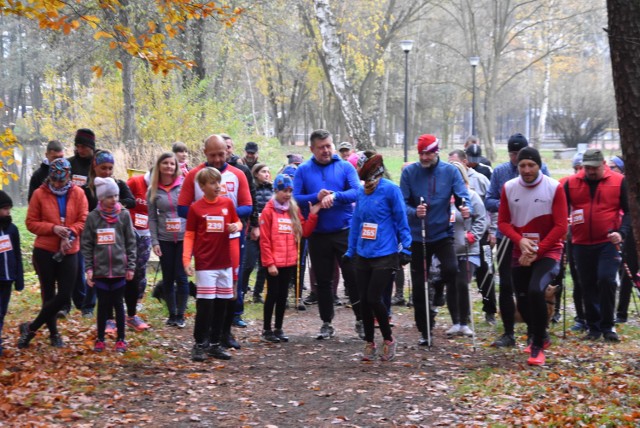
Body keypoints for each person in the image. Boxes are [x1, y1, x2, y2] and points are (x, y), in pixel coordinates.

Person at [178, 134, 252, 350]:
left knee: (230, 289)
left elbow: (248, 205)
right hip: (206, 241)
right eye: (213, 155)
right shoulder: (194, 174)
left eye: (222, 154)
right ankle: (204, 338)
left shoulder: (238, 174)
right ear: (205, 154)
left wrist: (226, 213)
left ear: (228, 151)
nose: (218, 159)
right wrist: (207, 212)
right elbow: (182, 207)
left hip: (231, 239)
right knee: (207, 294)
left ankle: (224, 333)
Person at [400, 134, 471, 346]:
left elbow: (461, 195)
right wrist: (415, 211)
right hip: (418, 234)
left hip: (442, 233)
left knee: (451, 269)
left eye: (428, 153)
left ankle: (438, 287)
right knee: (420, 285)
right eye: (421, 153)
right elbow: (401, 203)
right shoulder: (409, 173)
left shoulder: (449, 172)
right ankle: (425, 329)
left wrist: (465, 206)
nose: (424, 157)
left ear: (436, 152)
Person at [498, 147, 567, 365]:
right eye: (522, 166)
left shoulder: (553, 187)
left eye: (531, 165)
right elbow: (502, 222)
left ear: (539, 165)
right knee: (523, 299)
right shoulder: (509, 187)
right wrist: (520, 241)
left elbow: (561, 225)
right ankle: (540, 333)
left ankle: (536, 344)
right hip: (521, 251)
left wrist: (538, 249)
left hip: (548, 250)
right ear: (516, 167)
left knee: (536, 289)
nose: (527, 170)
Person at [293, 129, 362, 339]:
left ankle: (361, 320)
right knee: (322, 281)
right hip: (318, 233)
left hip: (344, 230)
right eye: (321, 147)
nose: (326, 150)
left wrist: (336, 196)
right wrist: (316, 196)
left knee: (353, 276)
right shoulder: (303, 170)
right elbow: (295, 198)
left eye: (328, 146)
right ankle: (326, 322)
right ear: (312, 149)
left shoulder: (344, 166)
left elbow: (357, 191)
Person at [485, 133, 550, 347]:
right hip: (508, 236)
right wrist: (508, 206)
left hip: (533, 238)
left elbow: (549, 197)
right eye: (512, 154)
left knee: (531, 285)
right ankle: (508, 332)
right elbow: (490, 199)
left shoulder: (541, 169)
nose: (516, 159)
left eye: (519, 154)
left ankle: (534, 331)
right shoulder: (501, 172)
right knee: (506, 284)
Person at [344, 152, 411, 361]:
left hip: (386, 253)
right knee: (363, 301)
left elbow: (401, 219)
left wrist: (407, 247)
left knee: (374, 297)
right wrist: (350, 250)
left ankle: (389, 340)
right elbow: (356, 223)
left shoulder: (391, 190)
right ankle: (369, 344)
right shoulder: (362, 193)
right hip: (364, 253)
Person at [19, 158, 88, 349]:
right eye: (55, 180)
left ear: (68, 177)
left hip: (70, 250)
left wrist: (71, 232)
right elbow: (30, 223)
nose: (57, 184)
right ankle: (54, 334)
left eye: (61, 180)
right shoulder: (39, 194)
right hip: (45, 251)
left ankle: (31, 328)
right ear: (50, 176)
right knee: (48, 295)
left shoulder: (79, 193)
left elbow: (84, 219)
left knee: (65, 295)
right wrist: (53, 228)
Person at [565, 149, 629, 342]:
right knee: (587, 284)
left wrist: (621, 232)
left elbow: (630, 212)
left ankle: (608, 326)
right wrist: (564, 226)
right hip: (580, 242)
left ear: (603, 164)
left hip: (608, 241)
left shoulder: (619, 181)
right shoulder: (571, 183)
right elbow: (560, 208)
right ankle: (593, 327)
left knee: (606, 279)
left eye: (594, 168)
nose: (590, 172)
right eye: (587, 168)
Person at [183, 167, 241, 362]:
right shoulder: (196, 208)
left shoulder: (227, 203)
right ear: (202, 186)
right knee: (206, 306)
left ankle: (215, 344)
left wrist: (236, 226)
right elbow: (189, 235)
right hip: (205, 264)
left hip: (225, 262)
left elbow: (237, 222)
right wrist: (186, 260)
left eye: (219, 182)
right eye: (212, 183)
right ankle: (200, 344)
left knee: (221, 305)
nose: (218, 186)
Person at [260, 174, 320, 343]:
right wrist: (269, 263)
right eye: (283, 191)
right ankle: (266, 329)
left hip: (289, 261)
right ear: (276, 191)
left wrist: (313, 215)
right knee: (272, 295)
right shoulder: (268, 211)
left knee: (283, 296)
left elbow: (304, 232)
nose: (287, 194)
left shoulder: (293, 209)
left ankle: (278, 328)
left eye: (290, 191)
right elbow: (264, 240)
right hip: (274, 262)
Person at [82, 150, 136, 329]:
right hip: (98, 240)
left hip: (117, 242)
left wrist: (115, 205)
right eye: (103, 168)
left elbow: (131, 200)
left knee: (119, 288)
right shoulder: (86, 188)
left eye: (110, 168)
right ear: (95, 167)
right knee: (102, 288)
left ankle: (127, 317)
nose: (107, 172)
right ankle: (101, 316)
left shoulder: (117, 184)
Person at [449, 149, 496, 325]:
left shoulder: (482, 179)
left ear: (464, 162)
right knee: (460, 279)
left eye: (455, 162)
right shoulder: (449, 186)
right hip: (461, 237)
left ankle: (490, 310)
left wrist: (493, 231)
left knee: (487, 271)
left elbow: (490, 207)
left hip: (483, 235)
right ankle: (463, 316)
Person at [445, 162, 488, 338]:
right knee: (451, 285)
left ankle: (465, 322)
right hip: (447, 248)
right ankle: (455, 322)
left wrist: (473, 235)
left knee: (462, 283)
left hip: (468, 249)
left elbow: (482, 219)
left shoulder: (471, 196)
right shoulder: (443, 198)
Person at [148, 152, 189, 328]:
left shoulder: (184, 186)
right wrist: (155, 242)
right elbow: (152, 219)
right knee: (168, 277)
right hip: (164, 239)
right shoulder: (153, 190)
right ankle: (172, 314)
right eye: (165, 163)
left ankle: (181, 314)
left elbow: (191, 211)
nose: (169, 167)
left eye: (172, 164)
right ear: (159, 166)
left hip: (183, 239)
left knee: (181, 276)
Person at [222, 134, 258, 328]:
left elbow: (251, 198)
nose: (226, 150)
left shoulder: (242, 170)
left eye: (228, 146)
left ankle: (236, 312)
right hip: (213, 232)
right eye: (222, 147)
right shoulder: (207, 170)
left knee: (239, 270)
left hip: (238, 228)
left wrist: (255, 224)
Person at [67, 129, 96, 318]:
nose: (79, 150)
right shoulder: (70, 163)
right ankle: (78, 300)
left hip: (95, 218)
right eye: (77, 146)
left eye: (83, 146)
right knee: (76, 264)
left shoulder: (99, 162)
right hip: (74, 219)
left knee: (94, 263)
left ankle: (89, 305)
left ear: (91, 147)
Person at [239, 163, 272, 304]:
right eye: (263, 171)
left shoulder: (273, 190)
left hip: (268, 231)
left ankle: (257, 294)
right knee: (249, 264)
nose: (266, 174)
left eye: (268, 172)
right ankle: (242, 289)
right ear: (256, 173)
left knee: (264, 264)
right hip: (252, 230)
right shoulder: (251, 189)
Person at [125, 169, 153, 331]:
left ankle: (138, 300)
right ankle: (124, 300)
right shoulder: (135, 182)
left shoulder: (158, 188)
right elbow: (124, 200)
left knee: (141, 268)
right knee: (128, 267)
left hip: (146, 233)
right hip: (130, 232)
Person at [0, 191, 23, 356]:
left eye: (9, 208)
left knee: (2, 311)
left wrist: (19, 278)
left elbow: (17, 255)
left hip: (8, 278)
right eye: (4, 208)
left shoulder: (12, 230)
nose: (8, 211)